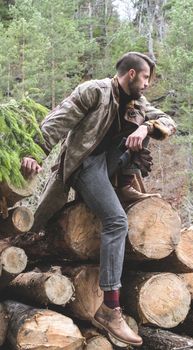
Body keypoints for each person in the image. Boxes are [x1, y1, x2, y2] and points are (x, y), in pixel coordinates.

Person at [21, 52, 176, 346]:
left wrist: (146, 126)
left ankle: (126, 184)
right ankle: (110, 308)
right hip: (85, 165)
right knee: (116, 221)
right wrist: (34, 153)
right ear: (131, 74)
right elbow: (58, 121)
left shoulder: (137, 103)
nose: (146, 85)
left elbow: (168, 121)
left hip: (112, 168)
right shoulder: (95, 91)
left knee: (145, 126)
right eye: (145, 78)